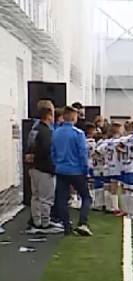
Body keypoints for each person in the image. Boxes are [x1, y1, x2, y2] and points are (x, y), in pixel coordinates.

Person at [50, 107, 92, 236]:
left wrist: (57, 164)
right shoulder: (78, 133)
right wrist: (86, 170)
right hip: (76, 170)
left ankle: (67, 227)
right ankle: (82, 223)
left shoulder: (56, 132)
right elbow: (82, 153)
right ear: (74, 117)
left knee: (62, 199)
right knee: (86, 196)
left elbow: (53, 152)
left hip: (61, 170)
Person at [24, 100, 58, 234]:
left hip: (33, 168)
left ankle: (36, 221)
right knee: (46, 198)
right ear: (49, 113)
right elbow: (46, 150)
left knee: (36, 196)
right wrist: (52, 168)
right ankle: (45, 223)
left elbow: (30, 147)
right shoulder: (46, 131)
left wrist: (31, 157)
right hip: (44, 168)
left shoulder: (34, 129)